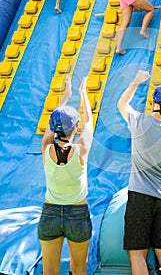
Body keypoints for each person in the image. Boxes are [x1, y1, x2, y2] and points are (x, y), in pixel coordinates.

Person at [117, 70, 161, 275]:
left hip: (140, 197)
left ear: (153, 102)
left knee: (137, 255)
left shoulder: (139, 122)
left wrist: (136, 81)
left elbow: (122, 104)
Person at [38, 75, 93, 275]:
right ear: (75, 128)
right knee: (79, 269)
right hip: (77, 214)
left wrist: (65, 96)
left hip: (49, 214)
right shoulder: (81, 149)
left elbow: (51, 126)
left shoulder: (46, 147)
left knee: (49, 271)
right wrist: (82, 92)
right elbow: (89, 121)